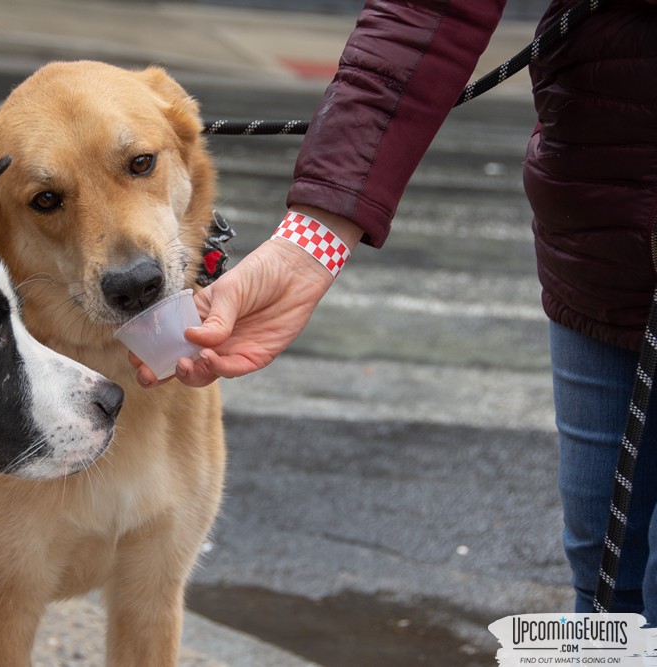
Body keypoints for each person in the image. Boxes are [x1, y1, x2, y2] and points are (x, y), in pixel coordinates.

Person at [131, 0, 657, 622]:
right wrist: (311, 243)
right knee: (604, 585)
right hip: (600, 246)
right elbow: (427, 15)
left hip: (598, 229)